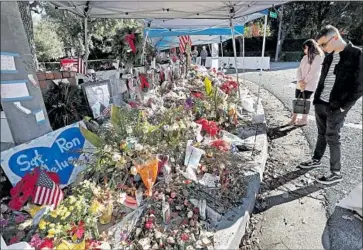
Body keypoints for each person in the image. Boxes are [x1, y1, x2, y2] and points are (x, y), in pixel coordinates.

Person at [299, 25, 362, 184]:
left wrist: (344, 106)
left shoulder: (356, 54)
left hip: (337, 105)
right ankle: (316, 159)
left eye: (323, 44)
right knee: (321, 133)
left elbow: (360, 86)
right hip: (321, 102)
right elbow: (324, 79)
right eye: (319, 45)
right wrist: (317, 99)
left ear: (335, 37)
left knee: (333, 137)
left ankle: (336, 173)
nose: (321, 48)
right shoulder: (329, 56)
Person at [289, 39, 324, 126]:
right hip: (300, 83)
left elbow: (313, 72)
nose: (304, 51)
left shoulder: (318, 57)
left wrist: (305, 81)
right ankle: (294, 117)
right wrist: (300, 80)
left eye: (305, 48)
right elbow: (299, 69)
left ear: (309, 47)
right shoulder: (305, 57)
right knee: (297, 99)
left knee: (305, 101)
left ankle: (304, 120)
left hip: (310, 84)